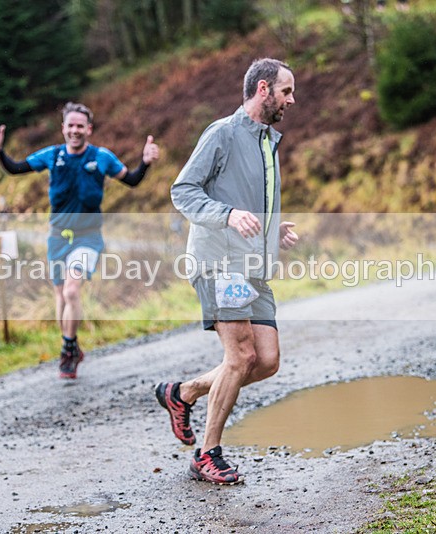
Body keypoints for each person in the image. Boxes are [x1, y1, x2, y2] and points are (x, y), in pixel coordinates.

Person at [155, 58, 299, 485]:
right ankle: (207, 453)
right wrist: (228, 215)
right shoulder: (221, 133)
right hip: (219, 262)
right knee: (240, 357)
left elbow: (254, 201)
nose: (292, 99)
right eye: (286, 91)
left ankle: (182, 393)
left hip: (253, 265)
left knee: (267, 360)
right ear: (263, 90)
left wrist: (274, 231)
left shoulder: (268, 141)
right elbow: (183, 190)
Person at [0, 102, 159, 379]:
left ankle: (67, 351)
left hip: (88, 237)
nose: (75, 131)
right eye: (71, 125)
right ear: (63, 128)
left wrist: (146, 163)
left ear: (88, 129)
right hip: (57, 237)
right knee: (60, 297)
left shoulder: (102, 158)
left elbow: (133, 180)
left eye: (80, 126)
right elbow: (16, 169)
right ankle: (73, 345)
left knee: (71, 291)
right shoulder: (52, 156)